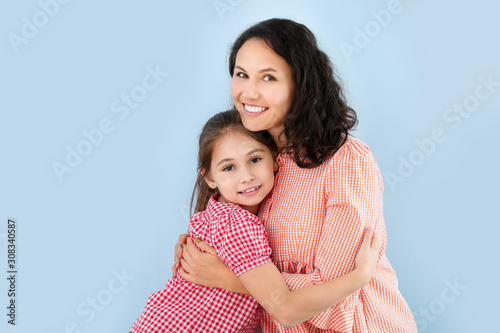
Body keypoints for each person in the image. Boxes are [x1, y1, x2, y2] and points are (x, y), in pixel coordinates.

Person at [174, 19, 418, 332]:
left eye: (269, 78)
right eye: (241, 74)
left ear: (300, 85)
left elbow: (336, 297)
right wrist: (195, 261)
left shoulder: (345, 162)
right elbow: (212, 264)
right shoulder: (253, 162)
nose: (248, 92)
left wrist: (228, 277)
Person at [130, 109, 380, 332]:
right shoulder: (238, 224)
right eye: (229, 168)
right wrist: (360, 277)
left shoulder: (212, 215)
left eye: (254, 160)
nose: (246, 176)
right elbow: (286, 309)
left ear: (274, 158)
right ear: (209, 178)